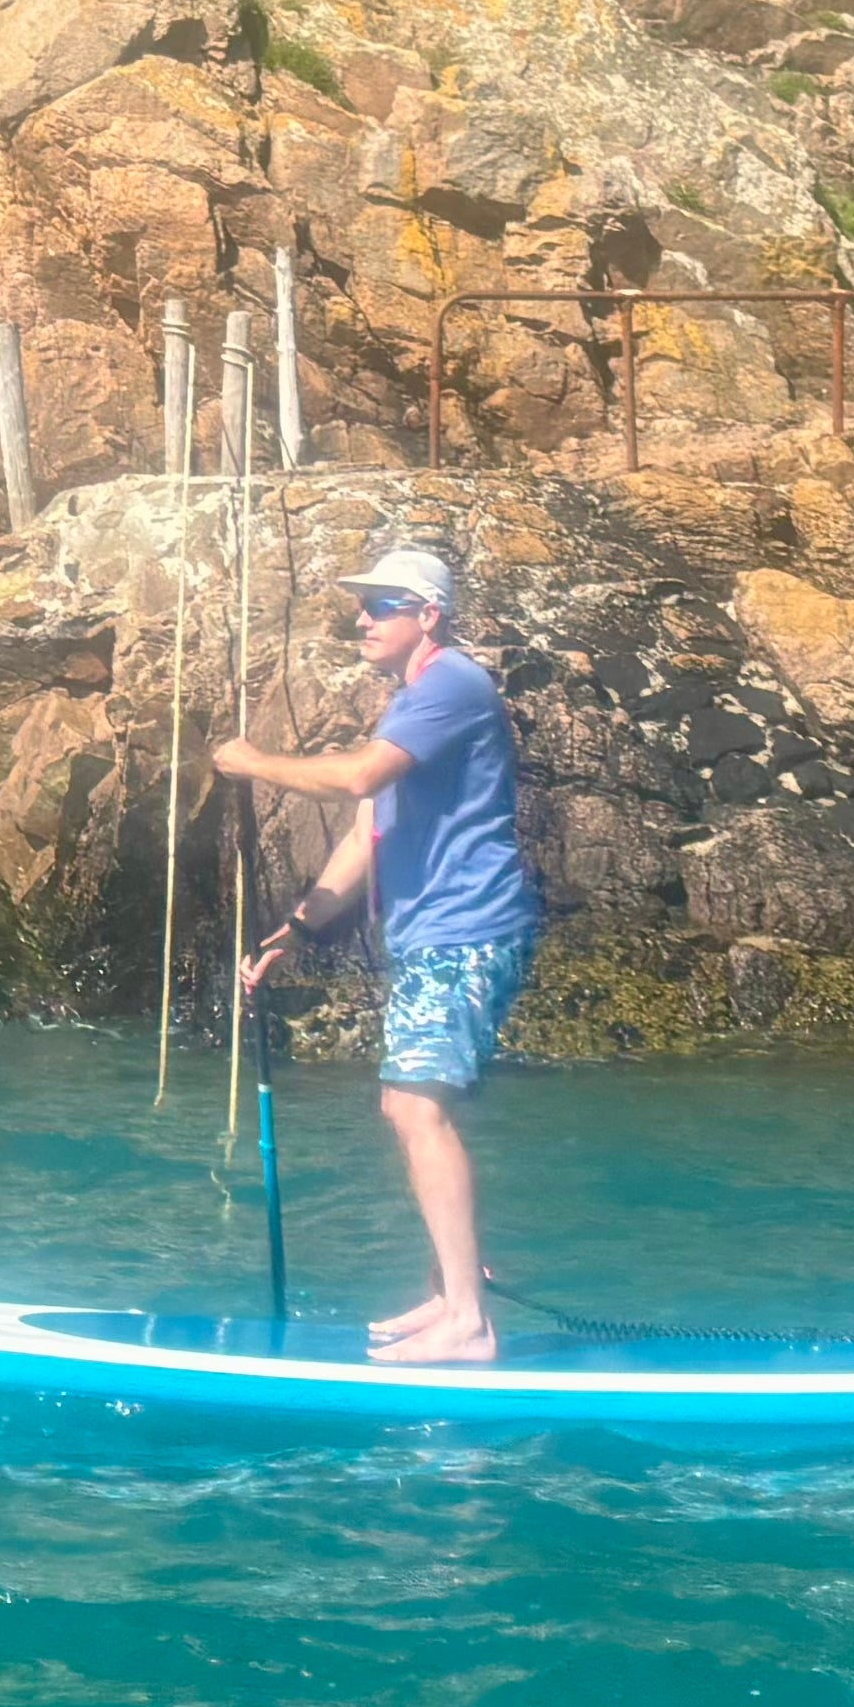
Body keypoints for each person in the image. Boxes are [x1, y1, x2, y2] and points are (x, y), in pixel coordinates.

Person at [218, 542, 541, 1365]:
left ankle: (467, 1318)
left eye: (381, 606)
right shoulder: (413, 703)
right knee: (416, 1105)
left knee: (413, 1108)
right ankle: (447, 1294)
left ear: (426, 616)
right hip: (440, 934)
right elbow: (371, 828)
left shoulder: (451, 685)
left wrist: (255, 763)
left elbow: (360, 780)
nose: (362, 620)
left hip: (466, 930)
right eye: (363, 607)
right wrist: (302, 926)